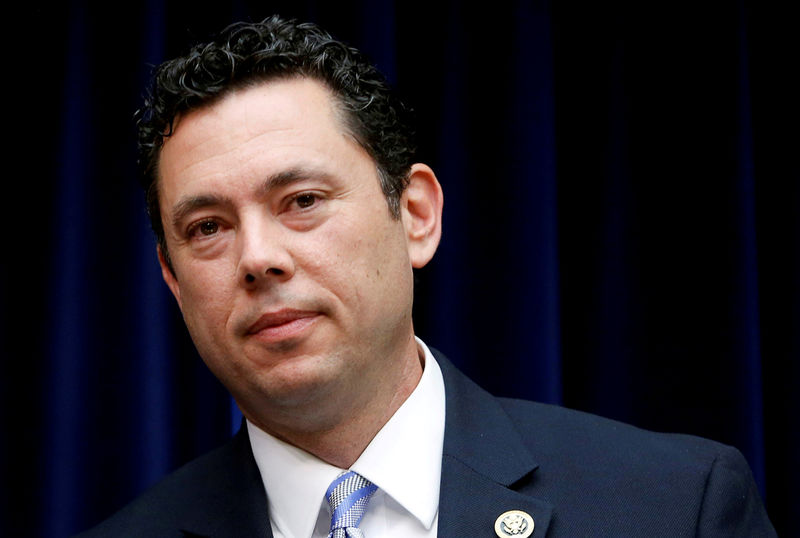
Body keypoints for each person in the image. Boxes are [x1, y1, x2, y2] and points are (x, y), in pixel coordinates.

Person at [79, 15, 775, 538]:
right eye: (208, 228)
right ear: (172, 279)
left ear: (414, 215)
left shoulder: (676, 506)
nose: (258, 257)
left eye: (303, 202)